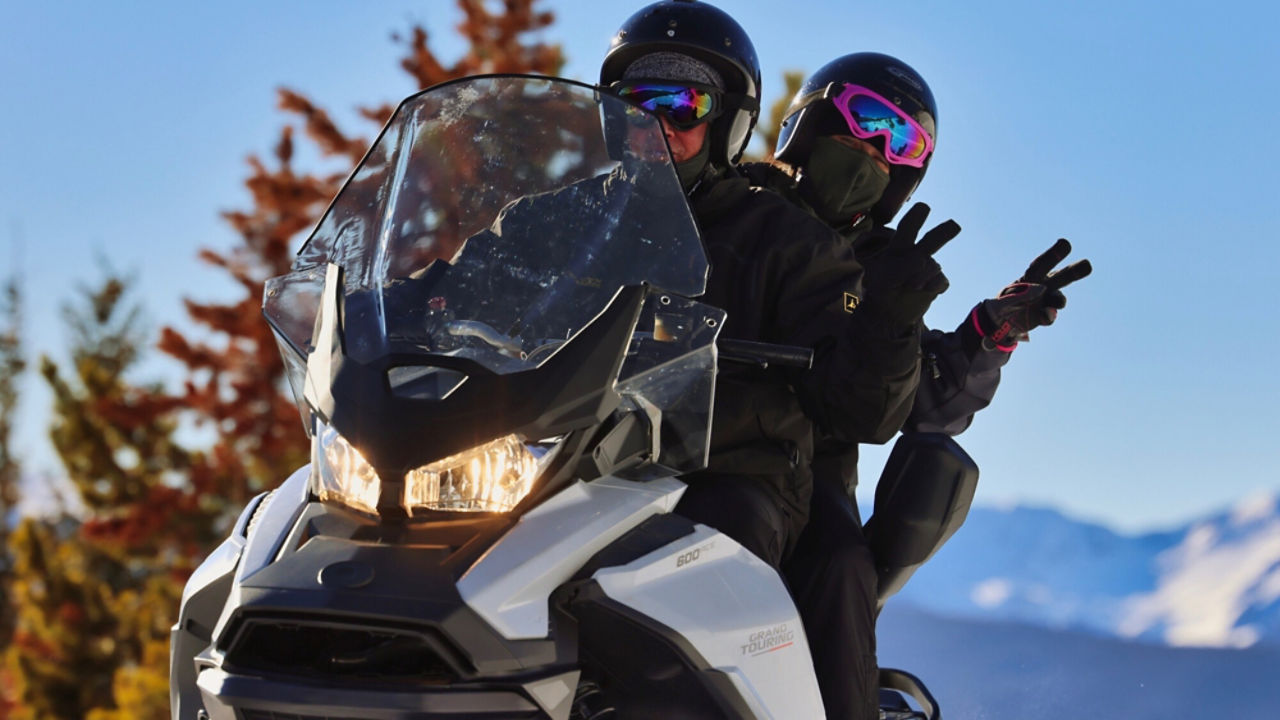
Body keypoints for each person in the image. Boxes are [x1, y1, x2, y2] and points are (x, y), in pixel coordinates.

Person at [744, 52, 1093, 719]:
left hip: (799, 481)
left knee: (841, 561)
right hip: (657, 440)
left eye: (894, 149)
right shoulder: (731, 209)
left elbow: (918, 394)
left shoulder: (879, 266)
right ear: (809, 123)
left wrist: (994, 328)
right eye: (859, 130)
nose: (872, 153)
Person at [599, 0, 925, 653]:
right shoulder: (562, 220)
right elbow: (456, 284)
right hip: (572, 461)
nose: (656, 123)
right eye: (637, 102)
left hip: (725, 471)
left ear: (726, 123)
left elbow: (863, 408)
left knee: (764, 544)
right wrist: (363, 304)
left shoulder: (786, 243)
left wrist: (891, 320)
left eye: (682, 105)